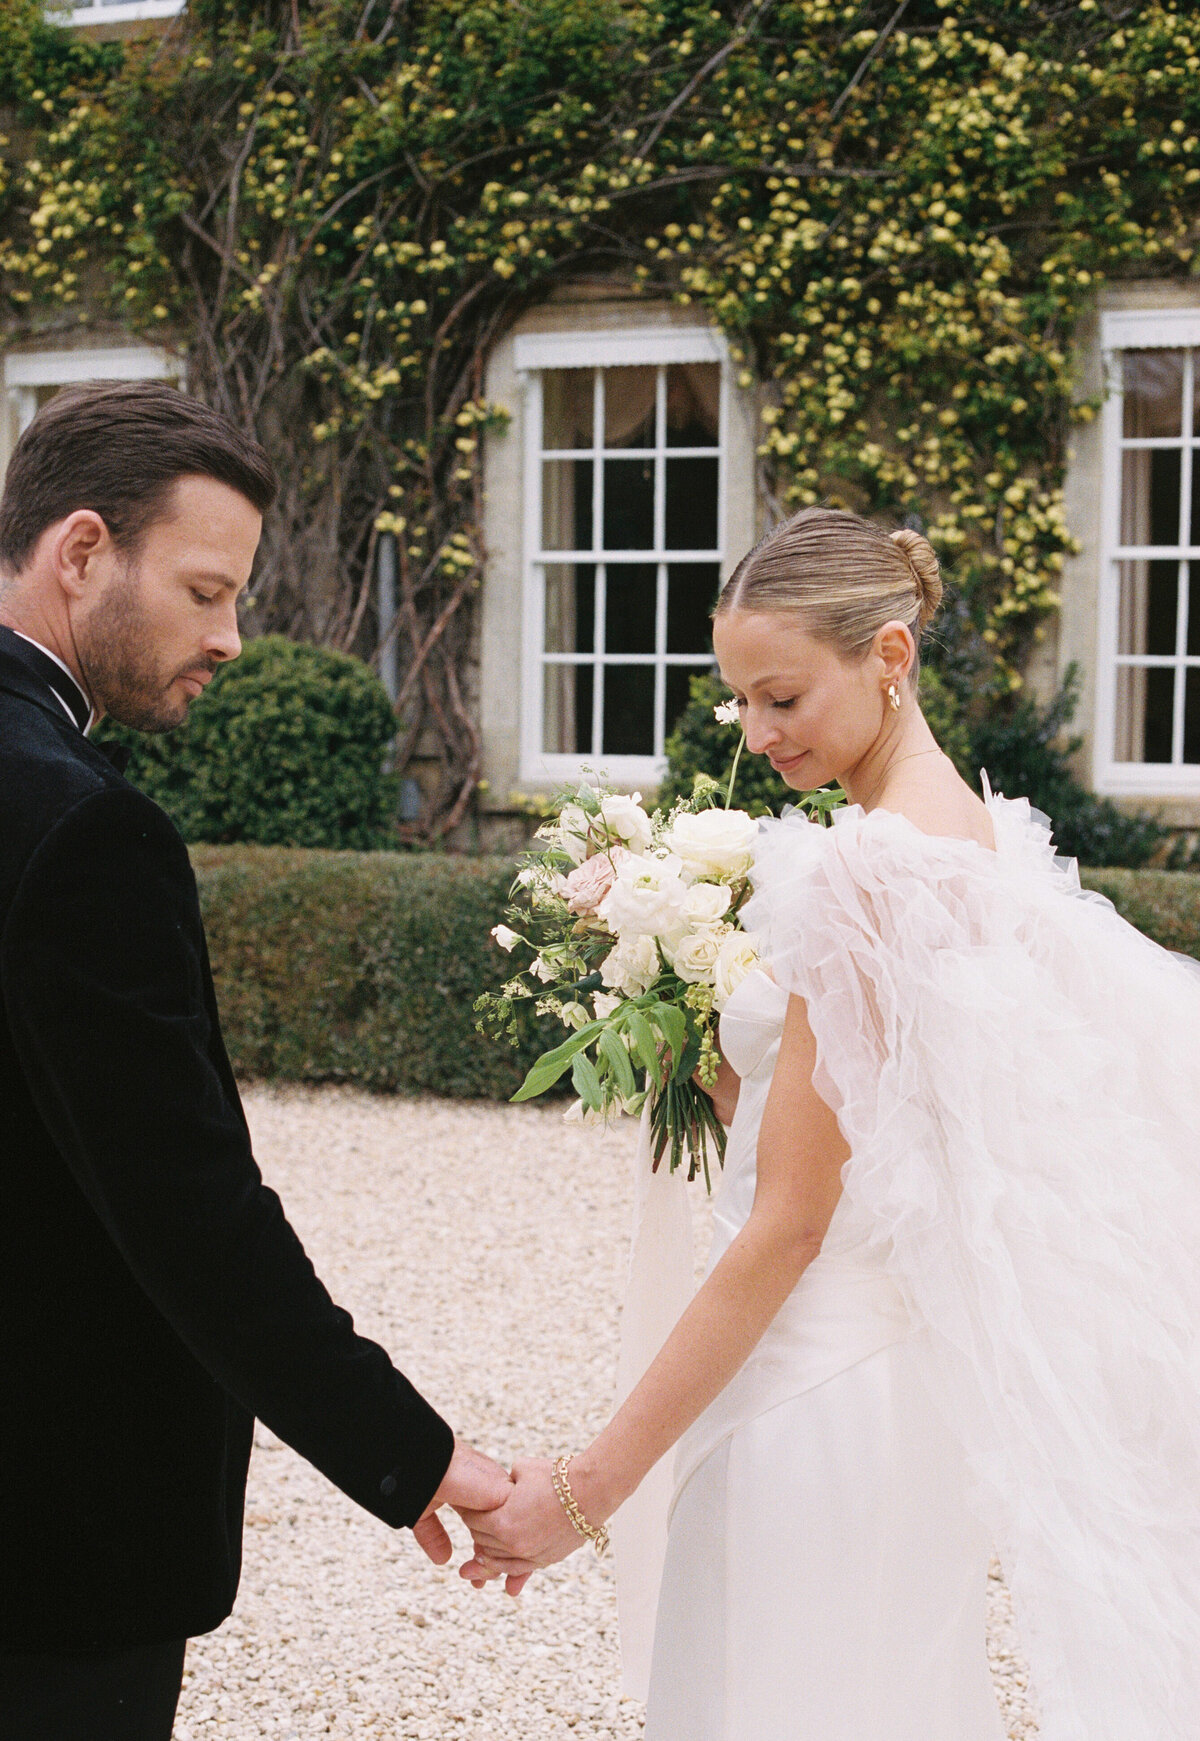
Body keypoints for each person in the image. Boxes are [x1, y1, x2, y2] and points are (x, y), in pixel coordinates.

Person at [458, 507, 1200, 1739]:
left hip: (809, 1395)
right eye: (740, 700)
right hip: (897, 1394)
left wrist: (585, 1497)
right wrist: (694, 1025)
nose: (756, 734)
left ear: (891, 657)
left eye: (783, 697)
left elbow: (787, 1225)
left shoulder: (871, 871)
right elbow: (869, 1138)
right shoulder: (971, 834)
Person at [0, 381, 511, 1741]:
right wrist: (410, 1453)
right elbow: (189, 1216)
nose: (231, 640)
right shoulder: (78, 830)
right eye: (206, 592)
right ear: (83, 551)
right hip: (47, 1549)